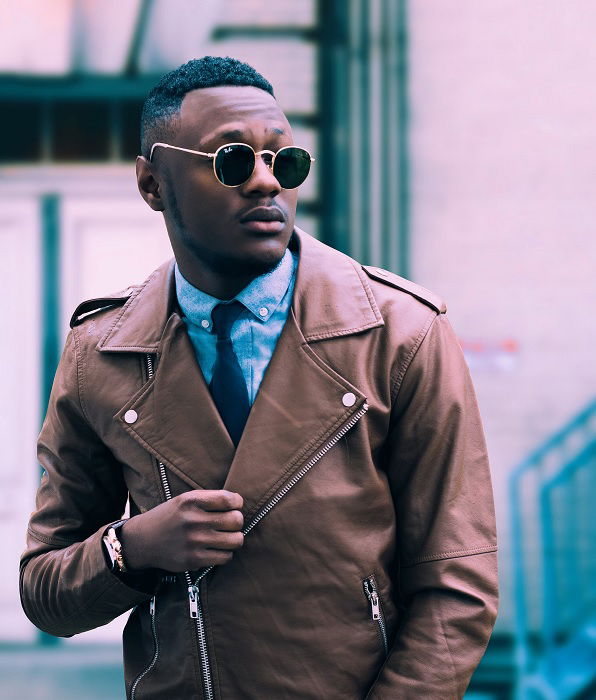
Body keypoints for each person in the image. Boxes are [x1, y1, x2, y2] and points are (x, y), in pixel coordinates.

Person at [20, 56, 498, 699]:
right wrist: (132, 547)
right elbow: (46, 592)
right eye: (233, 161)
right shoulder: (100, 353)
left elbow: (456, 587)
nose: (267, 183)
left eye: (285, 161)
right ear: (153, 182)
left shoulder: (400, 334)